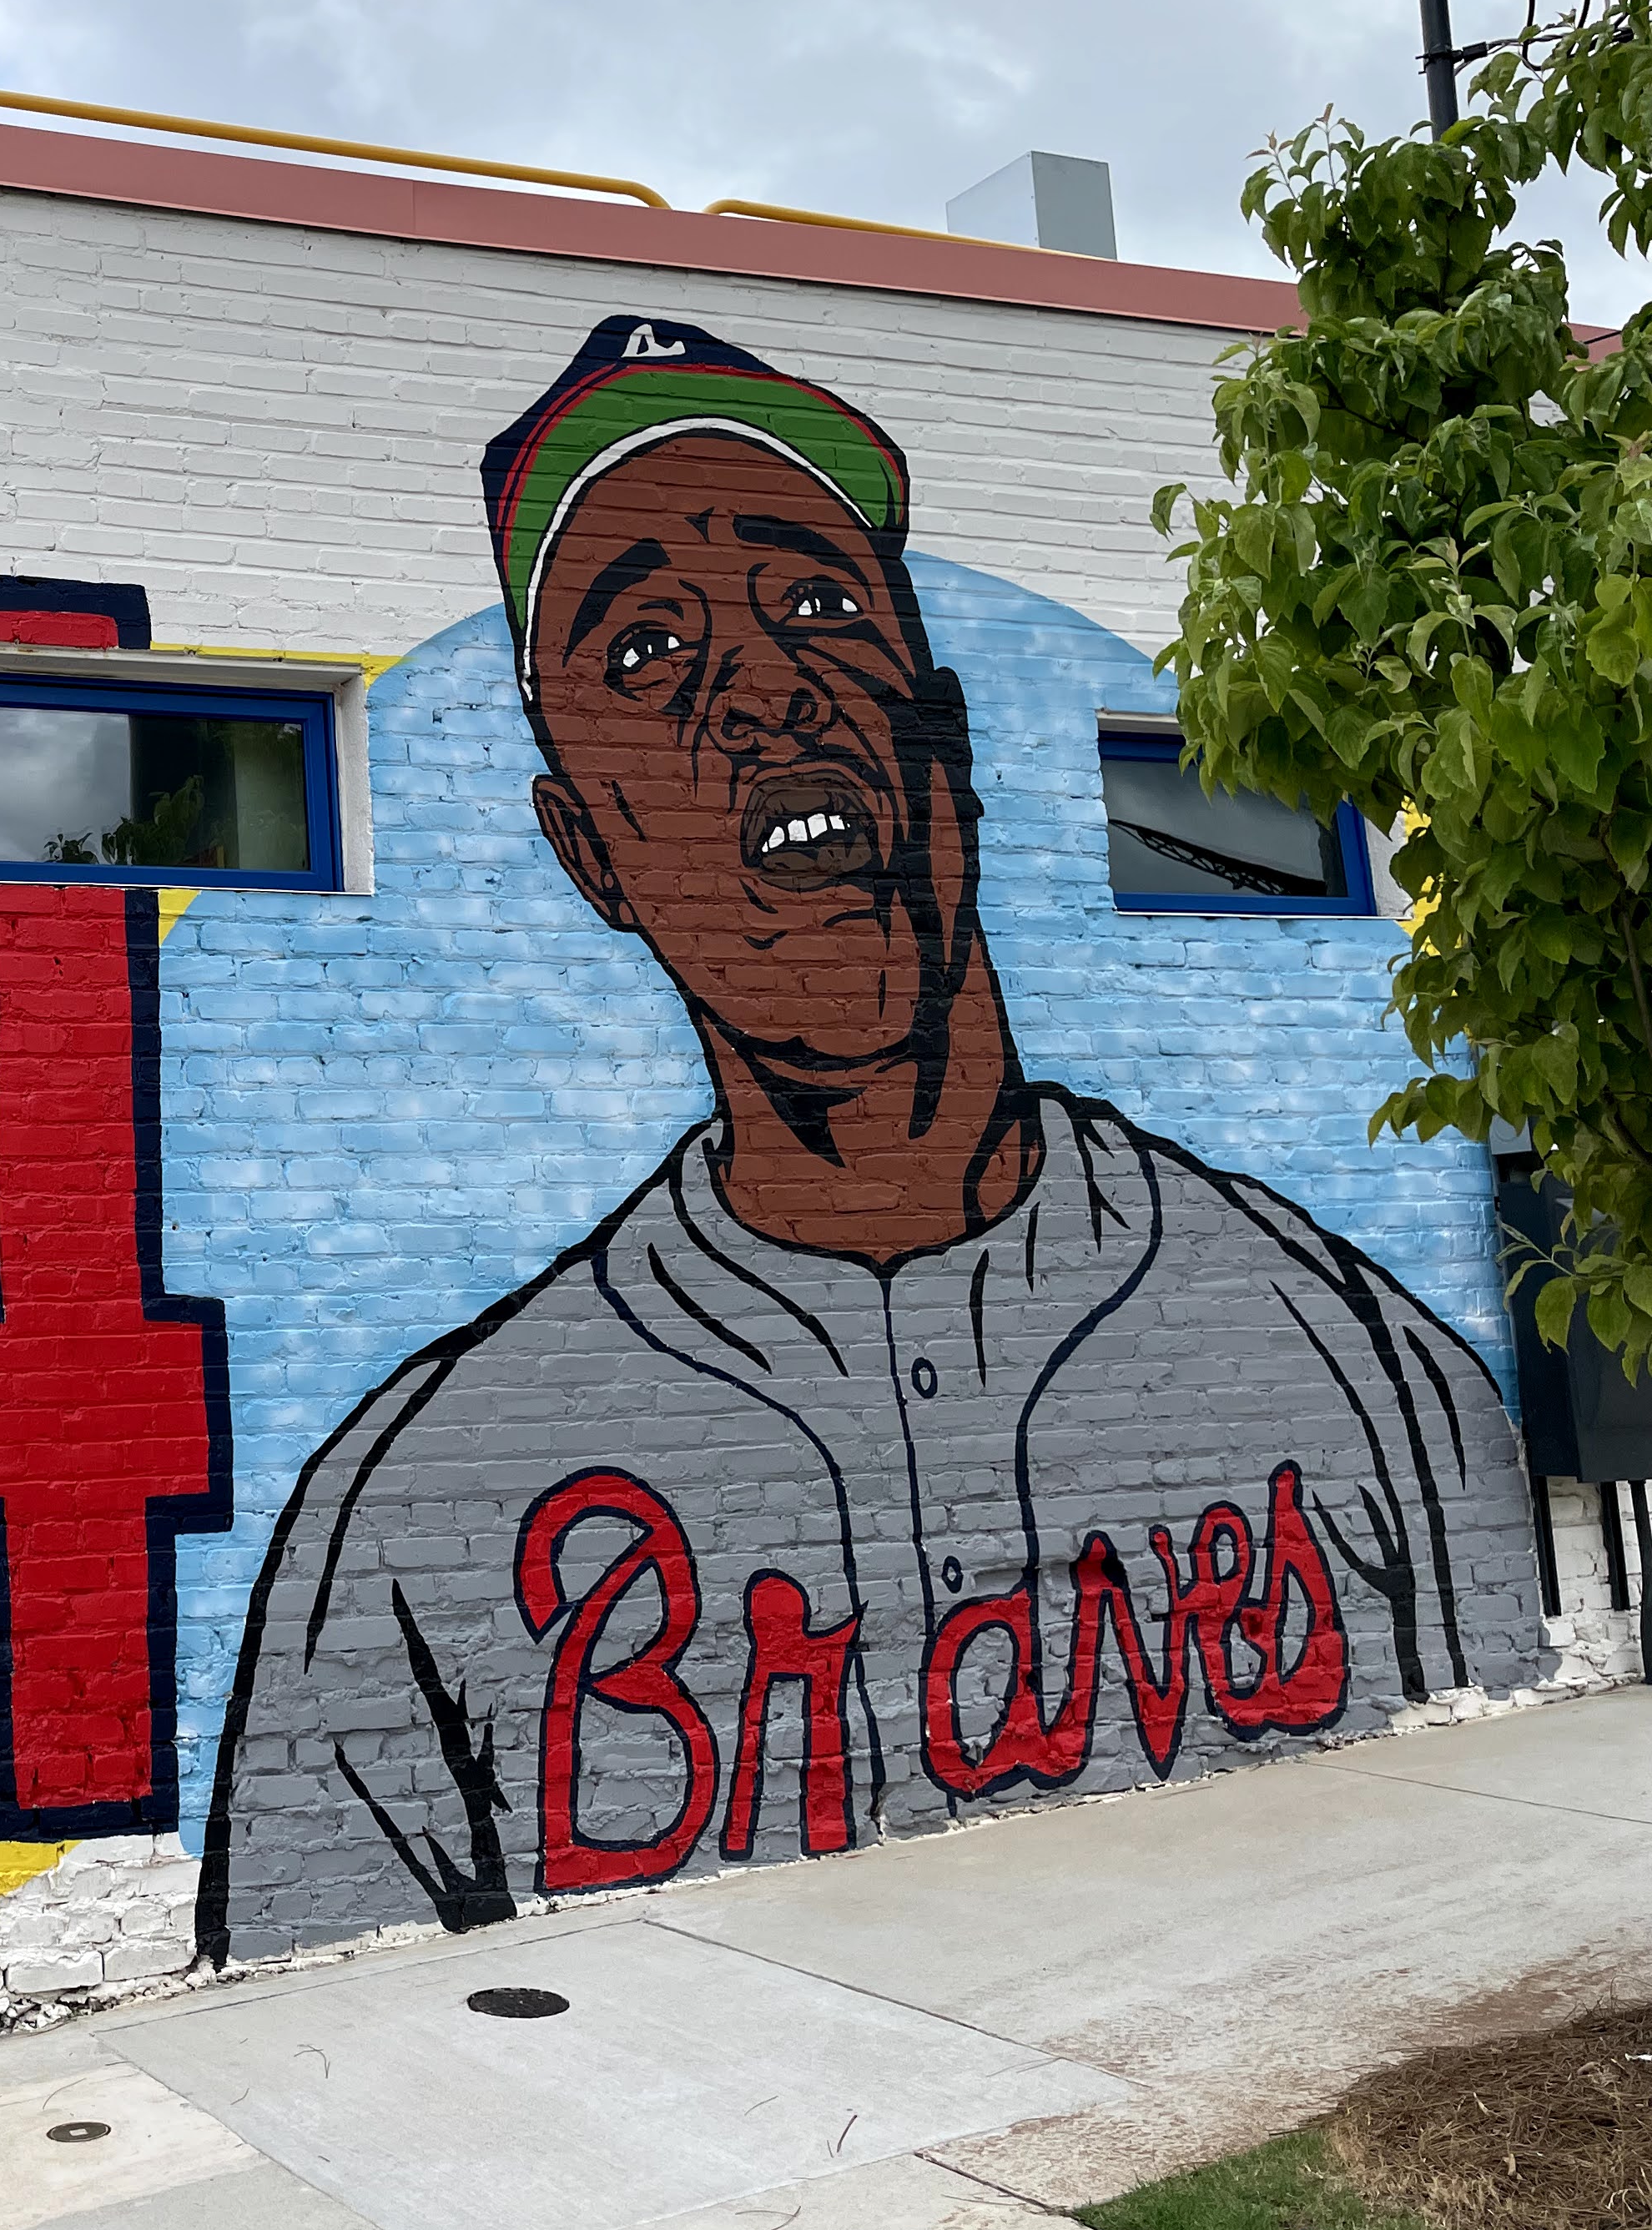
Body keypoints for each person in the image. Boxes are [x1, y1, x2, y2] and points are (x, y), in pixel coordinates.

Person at [198, 314, 1541, 1966]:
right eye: (647, 654)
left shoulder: (1369, 1366)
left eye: (821, 607)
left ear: (949, 742)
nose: (766, 688)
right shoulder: (392, 1537)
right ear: (584, 849)